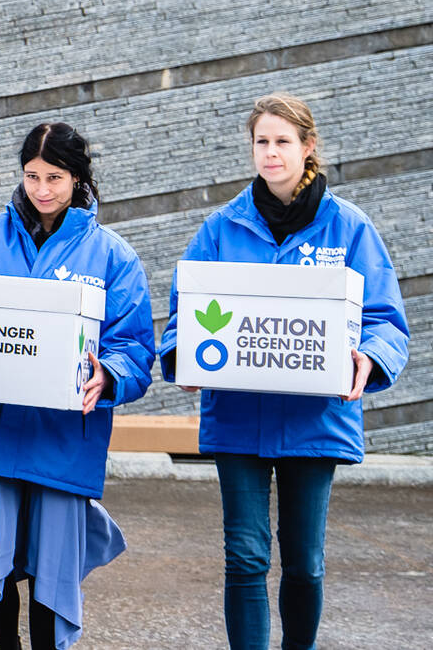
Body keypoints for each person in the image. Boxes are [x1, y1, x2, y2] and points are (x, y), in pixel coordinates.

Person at [162, 93, 409, 650]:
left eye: (282, 142)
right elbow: (183, 312)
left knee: (304, 563)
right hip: (238, 418)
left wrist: (369, 358)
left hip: (313, 420)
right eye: (261, 142)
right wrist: (183, 355)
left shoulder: (348, 228)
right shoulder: (220, 228)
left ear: (307, 147)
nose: (270, 153)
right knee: (245, 556)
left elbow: (386, 319)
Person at [0, 123, 156, 649]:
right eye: (32, 175)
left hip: (64, 436)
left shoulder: (113, 256)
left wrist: (110, 375)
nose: (42, 188)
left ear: (78, 178)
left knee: (50, 569)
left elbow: (133, 346)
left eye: (55, 178)